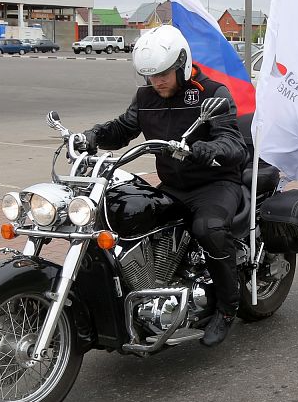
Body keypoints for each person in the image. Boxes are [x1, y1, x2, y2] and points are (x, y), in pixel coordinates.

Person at [77, 25, 248, 347]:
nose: (157, 82)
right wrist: (91, 137)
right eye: (151, 76)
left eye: (164, 74)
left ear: (181, 64)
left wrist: (207, 149)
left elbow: (233, 142)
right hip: (172, 184)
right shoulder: (146, 96)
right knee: (124, 218)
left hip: (214, 183)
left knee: (209, 229)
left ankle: (226, 308)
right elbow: (122, 127)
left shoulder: (212, 93)